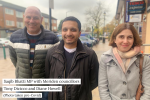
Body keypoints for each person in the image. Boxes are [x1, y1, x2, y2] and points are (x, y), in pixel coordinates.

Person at [9, 6, 59, 100]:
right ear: (24, 17)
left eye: (35, 18)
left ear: (41, 19)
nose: (31, 21)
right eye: (28, 17)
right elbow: (14, 59)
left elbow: (56, 63)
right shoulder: (14, 37)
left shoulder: (53, 38)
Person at [45, 16, 99, 100]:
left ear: (79, 33)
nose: (68, 33)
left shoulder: (90, 54)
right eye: (65, 29)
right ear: (62, 31)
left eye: (73, 30)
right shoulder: (51, 53)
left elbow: (94, 81)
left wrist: (79, 91)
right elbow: (48, 76)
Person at [98, 23, 150, 100]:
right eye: (121, 37)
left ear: (134, 39)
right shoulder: (105, 58)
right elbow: (102, 87)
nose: (125, 41)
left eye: (129, 37)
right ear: (115, 39)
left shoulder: (144, 60)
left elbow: (148, 89)